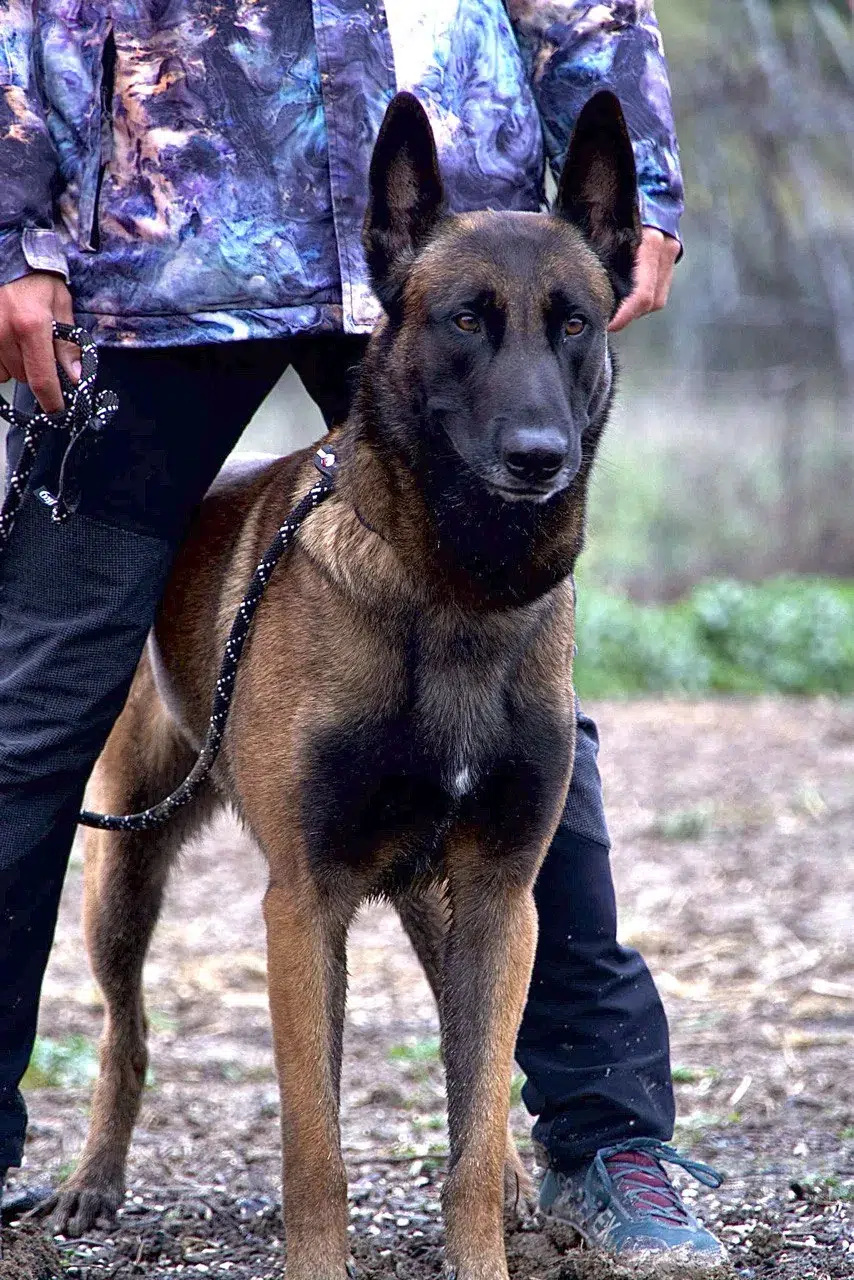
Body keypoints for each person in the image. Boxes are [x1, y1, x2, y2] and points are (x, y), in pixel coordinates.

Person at [0, 0, 725, 1263]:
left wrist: (642, 183)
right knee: (36, 702)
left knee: (515, 697)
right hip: (166, 237)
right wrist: (18, 230)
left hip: (453, 243)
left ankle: (605, 1139)